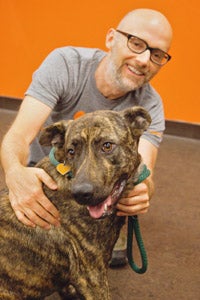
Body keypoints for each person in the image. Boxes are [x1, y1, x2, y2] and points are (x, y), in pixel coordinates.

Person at [1, 8, 173, 264]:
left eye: (157, 54)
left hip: (103, 186)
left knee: (109, 257)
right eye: (136, 44)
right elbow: (18, 135)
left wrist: (142, 190)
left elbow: (144, 170)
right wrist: (15, 174)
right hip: (48, 174)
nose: (144, 59)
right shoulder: (66, 64)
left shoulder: (150, 105)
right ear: (111, 38)